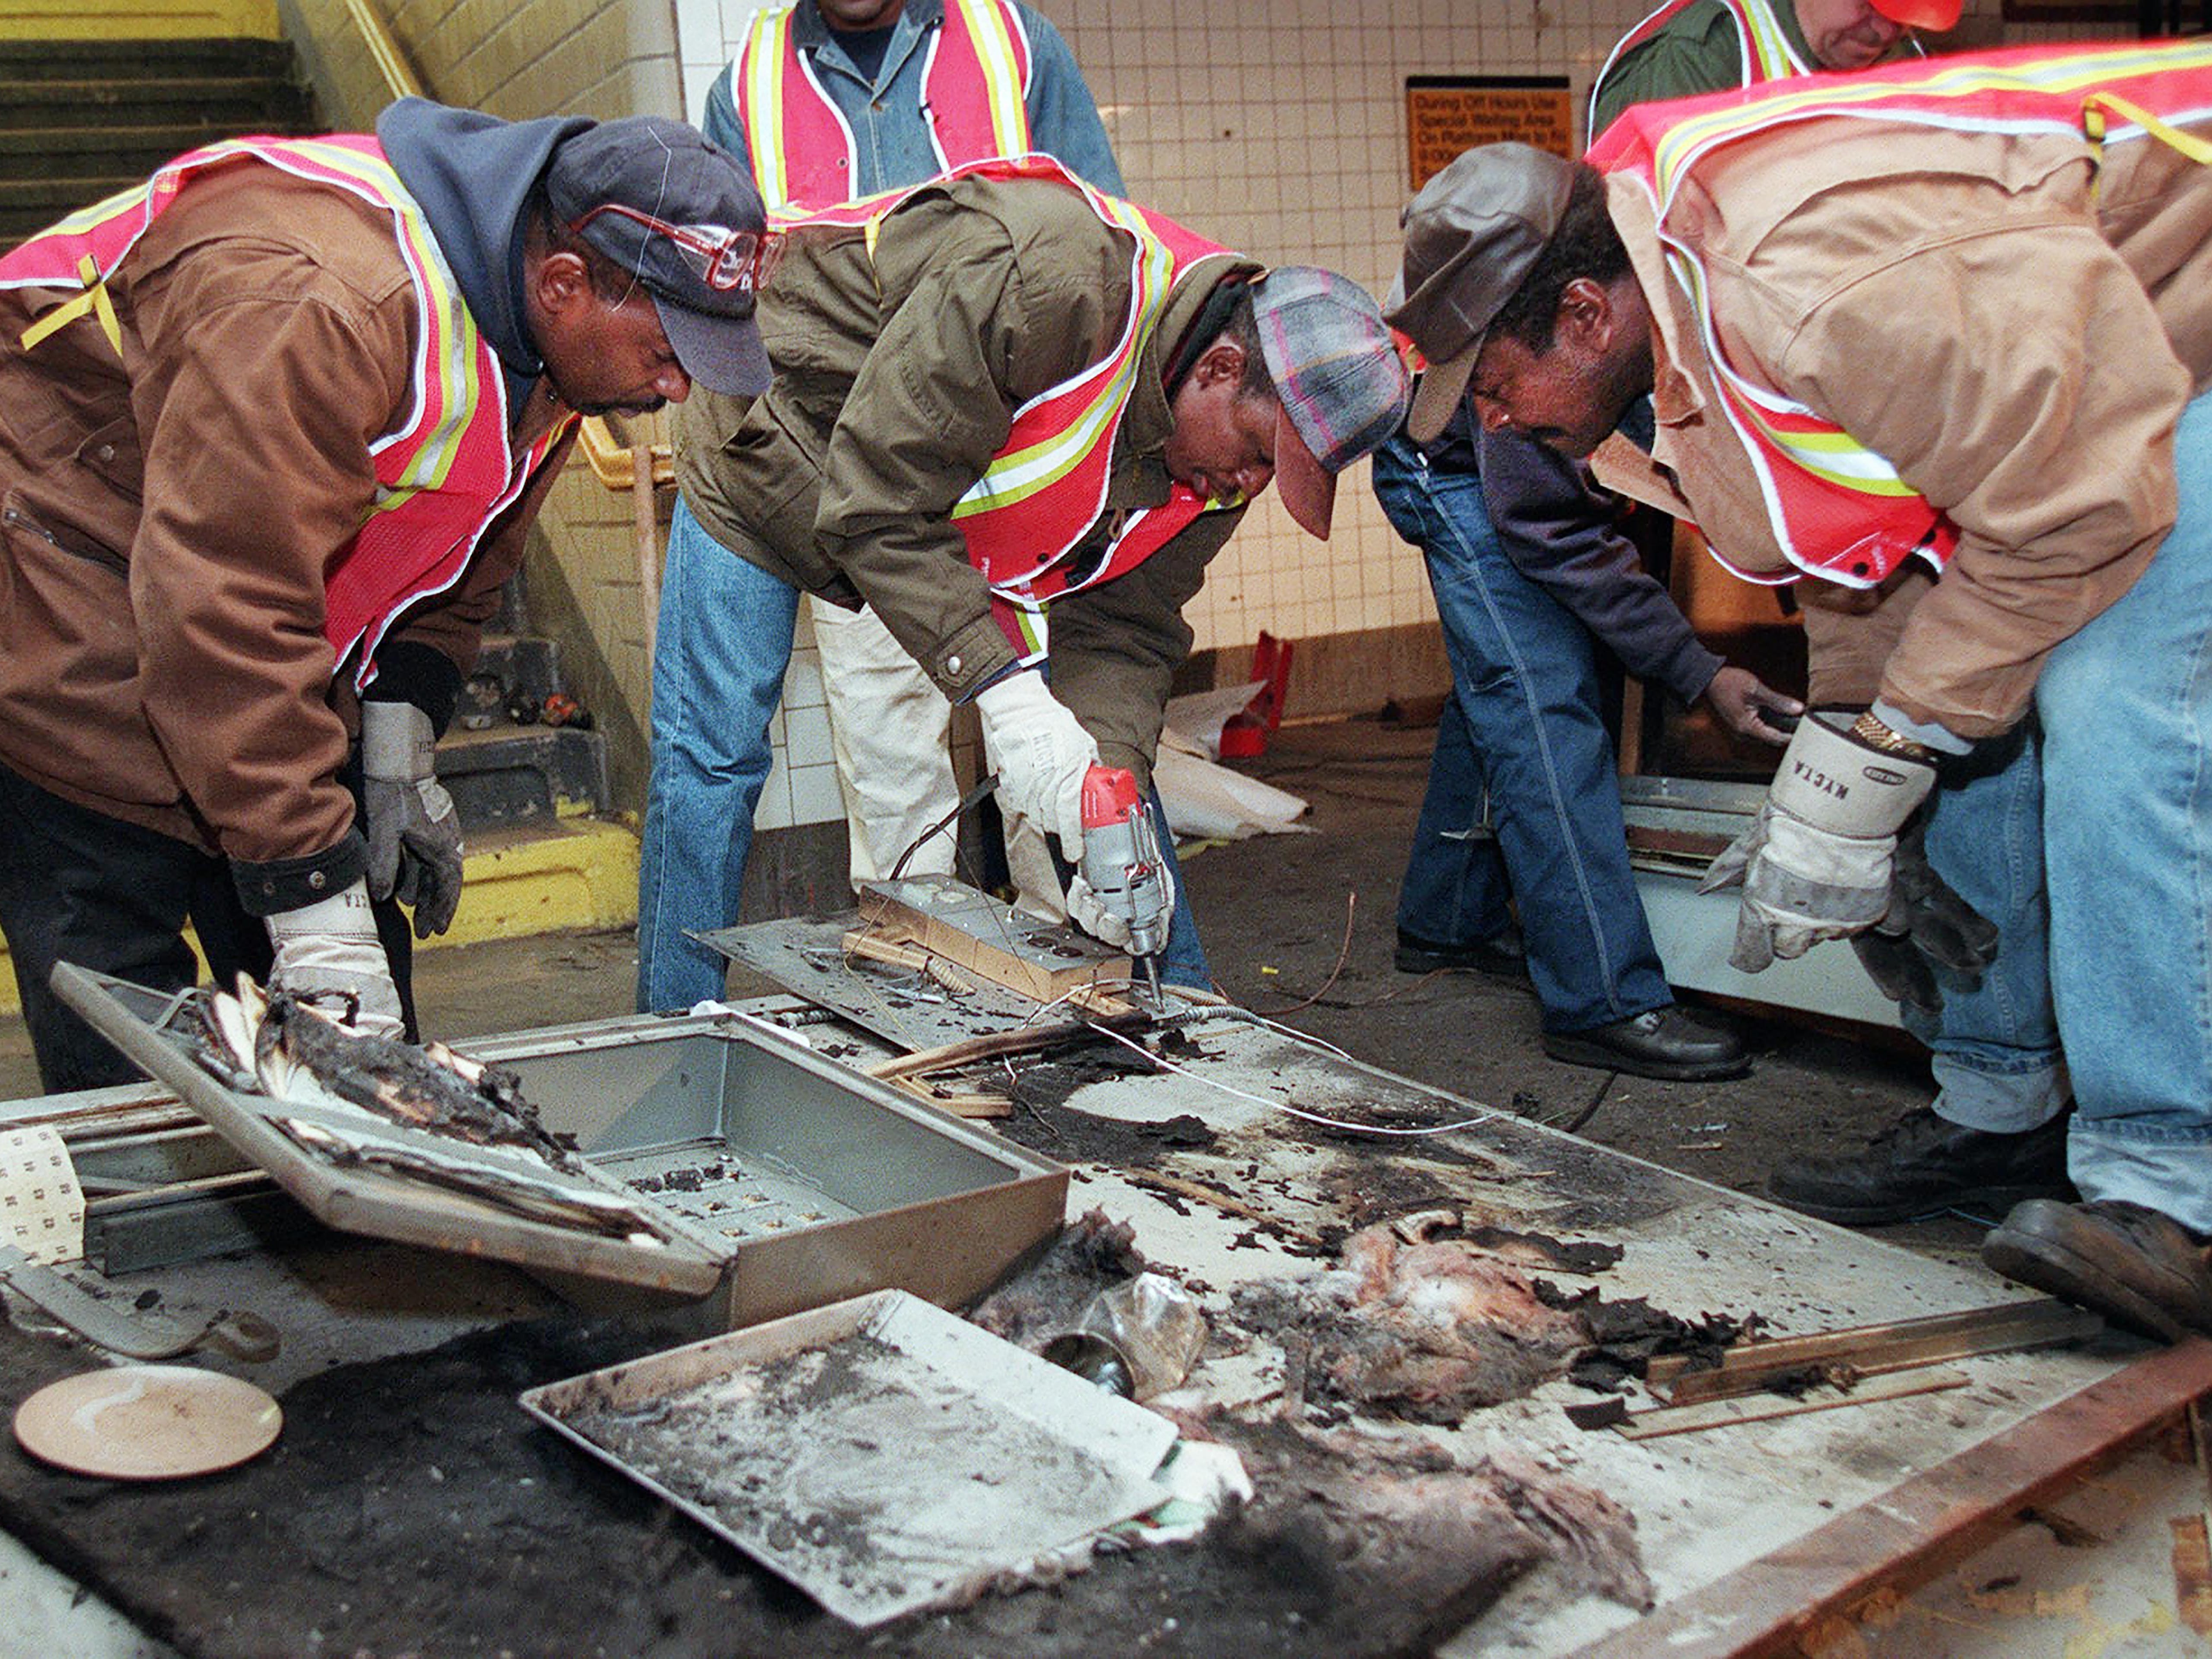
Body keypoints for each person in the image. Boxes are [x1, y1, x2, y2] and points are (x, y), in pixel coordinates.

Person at [1383, 38, 2212, 1337]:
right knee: (1968, 753)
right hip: (2065, 394)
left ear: (1586, 316)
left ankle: (2180, 1194)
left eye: (1493, 386)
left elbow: (2071, 506)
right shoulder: (1682, 338)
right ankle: (2003, 1110)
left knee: (2118, 711)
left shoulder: (1801, 286)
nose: (1489, 423)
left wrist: (1890, 750)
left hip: (2183, 348)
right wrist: (1856, 756)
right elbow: (1865, 540)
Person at [0, 99, 771, 1093]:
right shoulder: (319, 302)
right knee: (140, 1081)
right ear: (566, 283)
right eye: (670, 353)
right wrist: (314, 909)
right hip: (68, 610)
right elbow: (222, 608)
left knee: (356, 1061)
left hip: (232, 633)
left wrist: (394, 740)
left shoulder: (555, 347)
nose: (679, 389)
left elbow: (467, 558)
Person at [643, 157, 1409, 1010]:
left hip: (908, 498)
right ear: (1221, 369)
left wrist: (1101, 801)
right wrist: (1010, 702)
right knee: (713, 760)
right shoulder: (1046, 281)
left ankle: (1180, 1009)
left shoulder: (1212, 462)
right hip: (768, 438)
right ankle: (671, 1029)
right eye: (1264, 452)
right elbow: (879, 505)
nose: (1253, 484)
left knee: (1107, 787)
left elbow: (1127, 628)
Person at [1374, 0, 1958, 1085]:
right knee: (1547, 707)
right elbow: (1548, 527)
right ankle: (1600, 997)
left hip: (1518, 467)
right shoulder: (1530, 399)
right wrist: (1697, 669)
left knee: (1508, 687)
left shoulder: (1680, 302)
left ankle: (1442, 923)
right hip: (1456, 478)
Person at [641, 0, 1125, 1010]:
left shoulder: (1011, 43)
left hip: (991, 465)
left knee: (1042, 731)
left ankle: (1082, 999)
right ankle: (923, 1005)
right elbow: (714, 282)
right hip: (820, 457)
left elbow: (1101, 245)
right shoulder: (750, 80)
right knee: (880, 756)